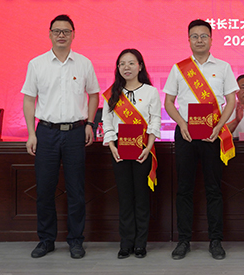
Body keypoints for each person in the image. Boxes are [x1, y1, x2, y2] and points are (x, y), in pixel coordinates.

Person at [22, 14, 100, 259]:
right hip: (46, 133)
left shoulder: (84, 63)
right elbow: (29, 99)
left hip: (76, 132)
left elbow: (94, 95)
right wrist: (31, 133)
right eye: (57, 31)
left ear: (73, 34)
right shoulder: (37, 64)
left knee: (76, 189)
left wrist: (90, 124)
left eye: (66, 31)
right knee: (45, 189)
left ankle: (76, 241)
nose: (61, 35)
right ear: (49, 34)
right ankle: (46, 240)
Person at [163, 19, 238, 260]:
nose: (199, 40)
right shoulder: (179, 68)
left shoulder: (223, 67)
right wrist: (181, 123)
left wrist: (219, 126)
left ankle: (215, 240)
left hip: (213, 134)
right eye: (194, 36)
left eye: (203, 36)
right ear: (188, 40)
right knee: (184, 189)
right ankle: (183, 240)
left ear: (211, 39)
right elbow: (168, 102)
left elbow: (231, 101)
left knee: (213, 188)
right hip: (185, 134)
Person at [102, 49, 160, 259]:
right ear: (118, 68)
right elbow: (107, 122)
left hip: (143, 148)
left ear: (140, 66)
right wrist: (112, 146)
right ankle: (126, 243)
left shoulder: (151, 92)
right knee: (125, 197)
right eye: (122, 64)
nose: (126, 67)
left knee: (141, 197)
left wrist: (148, 147)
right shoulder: (112, 93)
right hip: (119, 149)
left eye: (131, 63)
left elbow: (155, 120)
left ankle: (140, 244)